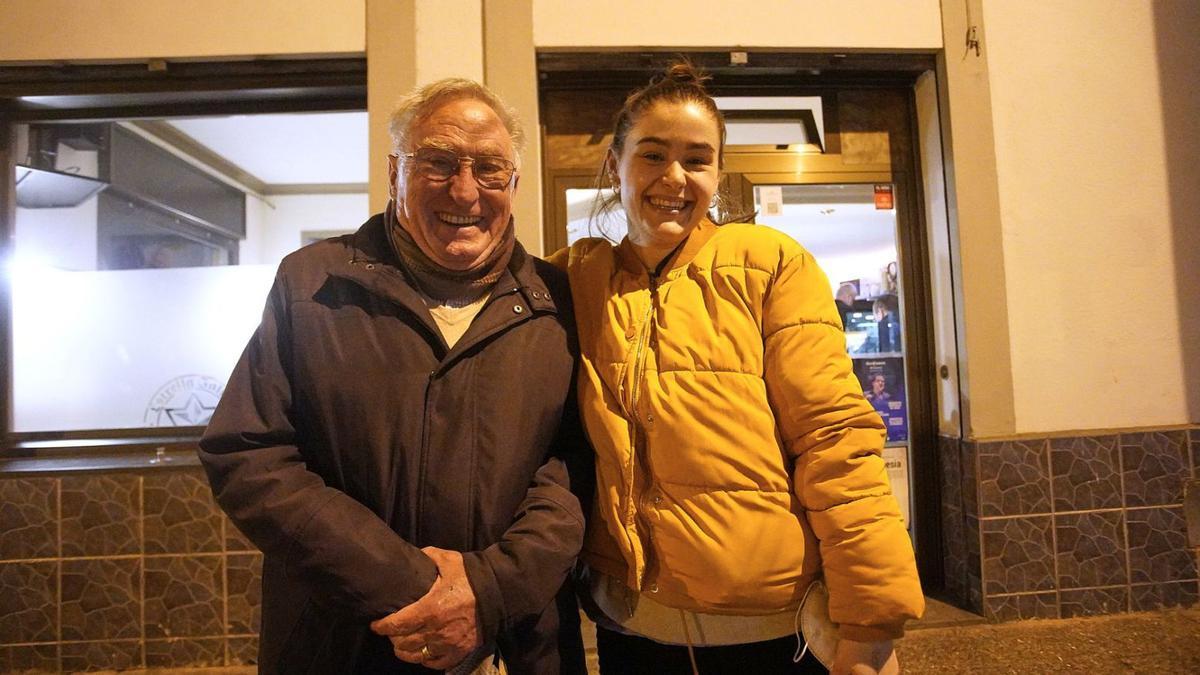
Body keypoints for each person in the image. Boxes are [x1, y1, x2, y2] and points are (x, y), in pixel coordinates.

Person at [199, 78, 587, 674]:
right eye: (437, 162)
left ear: (513, 183)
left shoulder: (555, 300)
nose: (464, 190)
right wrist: (411, 589)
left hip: (514, 641)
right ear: (394, 172)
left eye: (489, 169)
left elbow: (576, 466)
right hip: (347, 638)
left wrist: (487, 591)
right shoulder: (312, 284)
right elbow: (248, 454)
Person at [550, 64, 923, 674]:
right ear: (616, 164)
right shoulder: (573, 278)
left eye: (697, 159)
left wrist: (869, 618)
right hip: (633, 624)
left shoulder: (770, 264)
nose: (675, 177)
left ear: (717, 174)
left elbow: (834, 437)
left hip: (769, 630)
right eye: (652, 155)